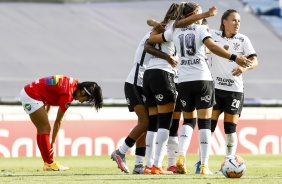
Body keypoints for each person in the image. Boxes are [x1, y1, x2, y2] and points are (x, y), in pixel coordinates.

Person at [148, 2, 252, 175]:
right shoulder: (201, 29)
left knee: (188, 121)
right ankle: (204, 166)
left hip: (183, 81)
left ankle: (181, 156)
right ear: (195, 13)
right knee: (204, 123)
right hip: (203, 79)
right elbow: (212, 46)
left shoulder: (175, 30)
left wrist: (158, 25)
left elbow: (152, 40)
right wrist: (235, 57)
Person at [110, 10, 178, 174]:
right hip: (135, 81)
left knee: (148, 124)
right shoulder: (154, 35)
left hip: (146, 81)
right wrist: (156, 23)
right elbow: (150, 21)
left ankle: (139, 164)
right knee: (146, 122)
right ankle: (121, 151)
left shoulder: (163, 38)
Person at [194, 9, 258, 174]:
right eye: (234, 20)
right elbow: (200, 32)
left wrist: (243, 69)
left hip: (234, 90)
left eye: (239, 21)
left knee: (230, 128)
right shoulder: (213, 35)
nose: (237, 23)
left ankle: (230, 163)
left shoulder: (243, 39)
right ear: (224, 22)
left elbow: (254, 60)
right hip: (215, 88)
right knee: (209, 127)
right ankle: (202, 164)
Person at [19, 75, 103, 171]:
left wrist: (46, 111)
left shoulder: (71, 83)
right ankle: (50, 163)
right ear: (83, 92)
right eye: (86, 99)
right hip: (32, 95)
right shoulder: (68, 94)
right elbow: (58, 121)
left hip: (29, 92)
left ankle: (47, 163)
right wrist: (53, 142)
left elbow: (49, 89)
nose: (83, 102)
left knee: (42, 129)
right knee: (45, 129)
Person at [142, 3, 179, 175]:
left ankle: (149, 165)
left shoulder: (161, 26)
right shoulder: (176, 28)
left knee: (153, 123)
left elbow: (148, 42)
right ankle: (157, 165)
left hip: (148, 75)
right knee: (165, 122)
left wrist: (155, 22)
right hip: (163, 73)